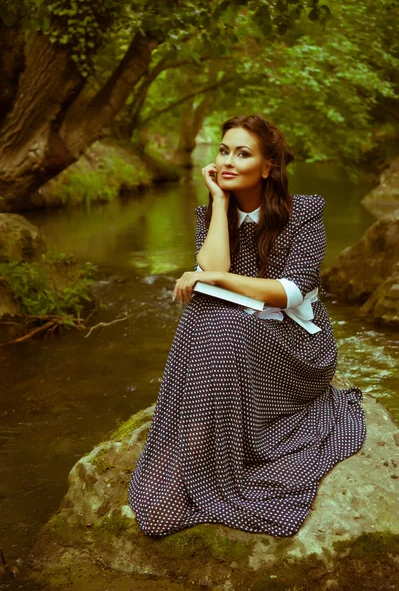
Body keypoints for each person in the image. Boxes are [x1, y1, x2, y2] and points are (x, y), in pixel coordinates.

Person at [128, 114, 366, 538]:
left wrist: (215, 279)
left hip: (297, 345)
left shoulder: (304, 212)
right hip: (236, 336)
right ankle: (189, 455)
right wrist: (219, 202)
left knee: (224, 316)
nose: (228, 162)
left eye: (243, 153)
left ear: (268, 166)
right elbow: (214, 264)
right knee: (203, 311)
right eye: (223, 151)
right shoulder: (212, 213)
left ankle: (198, 457)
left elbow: (292, 291)